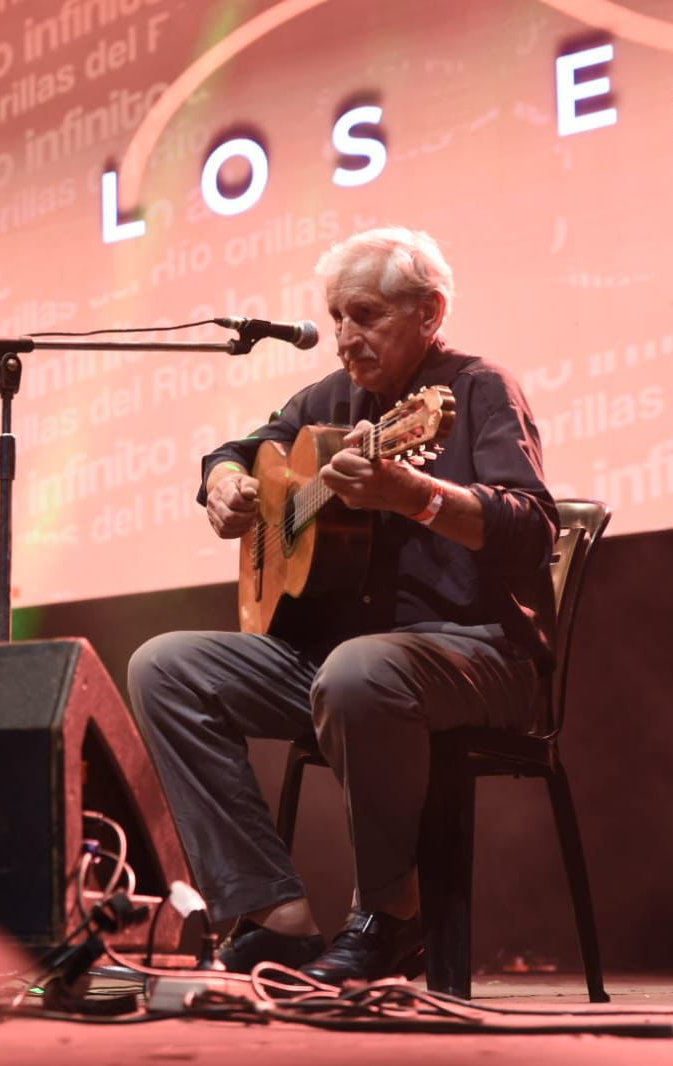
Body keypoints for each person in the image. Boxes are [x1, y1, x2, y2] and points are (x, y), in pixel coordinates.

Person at [127, 227, 557, 983]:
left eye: (364, 316)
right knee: (163, 667)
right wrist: (223, 483)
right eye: (335, 320)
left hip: (478, 654)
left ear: (428, 312)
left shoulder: (476, 389)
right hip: (341, 666)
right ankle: (271, 915)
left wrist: (418, 496)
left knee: (360, 672)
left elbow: (531, 528)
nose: (343, 339)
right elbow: (238, 449)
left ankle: (391, 916)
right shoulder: (326, 401)